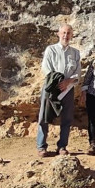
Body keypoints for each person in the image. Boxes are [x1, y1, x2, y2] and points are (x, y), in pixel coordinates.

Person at [37, 24, 81, 157]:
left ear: (72, 35)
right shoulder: (50, 50)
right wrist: (57, 82)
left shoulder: (75, 52)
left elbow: (77, 72)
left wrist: (68, 82)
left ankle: (62, 146)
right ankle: (41, 146)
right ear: (58, 33)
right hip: (51, 89)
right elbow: (46, 68)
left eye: (68, 33)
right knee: (44, 117)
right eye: (63, 33)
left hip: (67, 89)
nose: (65, 36)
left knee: (66, 119)